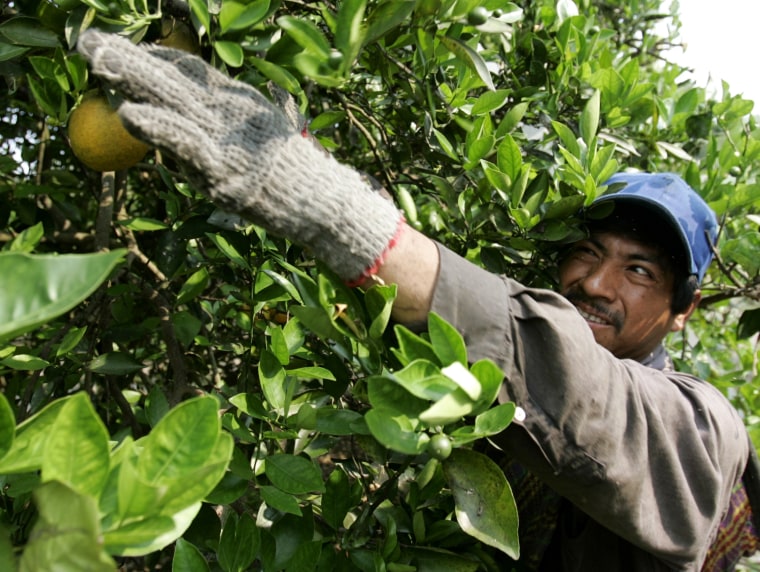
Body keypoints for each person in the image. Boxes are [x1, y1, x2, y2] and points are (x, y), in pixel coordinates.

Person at [77, 30, 760, 570]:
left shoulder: (702, 427)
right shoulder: (482, 391)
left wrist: (335, 211)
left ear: (683, 310)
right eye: (590, 251)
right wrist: (309, 155)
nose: (597, 283)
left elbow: (584, 393)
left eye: (639, 270)